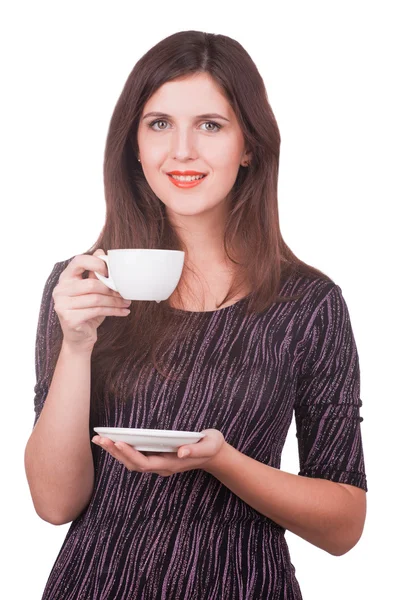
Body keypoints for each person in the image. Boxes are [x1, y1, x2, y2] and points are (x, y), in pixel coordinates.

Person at [24, 30, 368, 600]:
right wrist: (77, 344)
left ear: (249, 144)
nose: (182, 150)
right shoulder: (82, 286)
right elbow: (55, 504)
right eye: (159, 124)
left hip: (246, 584)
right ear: (134, 145)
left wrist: (223, 462)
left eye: (211, 125)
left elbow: (344, 525)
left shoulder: (309, 304)